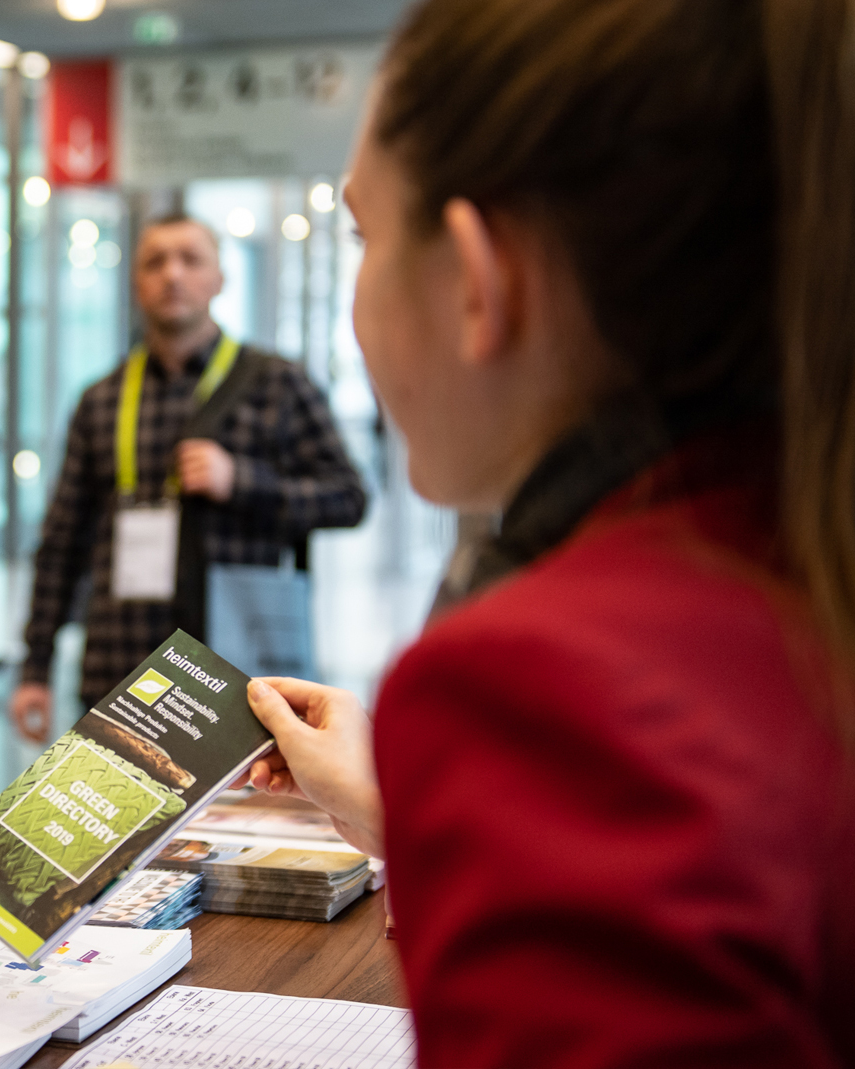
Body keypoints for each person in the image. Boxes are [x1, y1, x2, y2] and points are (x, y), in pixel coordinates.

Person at [235, 1, 855, 1065]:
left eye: (365, 235)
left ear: (478, 276)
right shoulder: (796, 552)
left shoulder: (543, 688)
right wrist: (420, 817)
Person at [12, 214, 367, 742]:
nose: (172, 274)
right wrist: (35, 666)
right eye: (155, 262)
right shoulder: (101, 399)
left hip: (235, 671)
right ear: (136, 284)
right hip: (119, 667)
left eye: (190, 259)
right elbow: (63, 538)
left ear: (219, 279)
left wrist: (241, 481)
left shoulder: (276, 384)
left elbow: (348, 497)